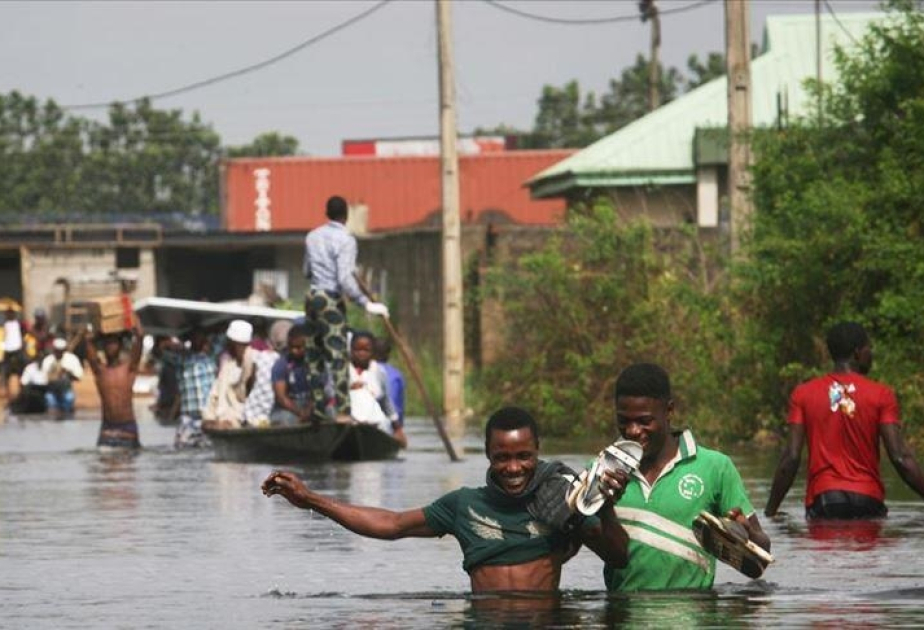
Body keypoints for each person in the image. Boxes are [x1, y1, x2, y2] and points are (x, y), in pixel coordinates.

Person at [262, 406, 629, 593]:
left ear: (537, 451)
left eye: (524, 456)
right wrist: (311, 499)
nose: (513, 467)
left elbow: (618, 556)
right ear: (486, 453)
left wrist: (604, 507)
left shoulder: (564, 500)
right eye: (502, 457)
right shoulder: (463, 506)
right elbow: (391, 524)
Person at [604, 363, 770, 591]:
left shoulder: (715, 468)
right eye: (624, 421)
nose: (633, 431)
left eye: (644, 421)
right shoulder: (603, 472)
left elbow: (760, 560)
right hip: (624, 616)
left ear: (669, 411)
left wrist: (744, 536)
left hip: (694, 616)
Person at [765, 322, 924, 520]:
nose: (871, 354)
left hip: (824, 501)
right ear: (858, 352)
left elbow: (791, 457)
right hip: (868, 500)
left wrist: (770, 511)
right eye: (869, 348)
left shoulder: (803, 394)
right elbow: (900, 458)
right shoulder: (882, 395)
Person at [303, 195, 389, 419]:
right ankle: (342, 411)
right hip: (330, 299)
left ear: (326, 213)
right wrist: (366, 303)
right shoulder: (346, 239)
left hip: (312, 297)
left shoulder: (312, 237)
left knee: (314, 356)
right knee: (338, 356)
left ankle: (319, 410)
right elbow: (344, 278)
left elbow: (306, 271)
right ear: (346, 215)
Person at [85, 322, 144, 449]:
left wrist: (136, 329)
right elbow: (89, 346)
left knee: (130, 466)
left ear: (120, 346)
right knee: (104, 466)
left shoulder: (129, 369)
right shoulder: (100, 371)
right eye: (107, 344)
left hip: (127, 427)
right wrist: (94, 332)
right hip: (108, 428)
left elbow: (139, 340)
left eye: (113, 343)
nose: (110, 347)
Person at [348, 331, 406, 446]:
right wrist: (351, 388)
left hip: (374, 423)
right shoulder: (343, 371)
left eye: (366, 350)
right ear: (351, 350)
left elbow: (386, 402)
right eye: (357, 350)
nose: (361, 354)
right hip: (350, 421)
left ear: (373, 352)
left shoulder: (379, 372)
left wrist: (397, 428)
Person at [202, 319, 256, 430]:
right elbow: (214, 395)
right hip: (222, 421)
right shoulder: (228, 366)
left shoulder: (253, 363)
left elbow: (246, 399)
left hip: (243, 423)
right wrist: (208, 418)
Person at [167, 327, 217, 448]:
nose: (198, 340)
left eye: (200, 336)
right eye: (195, 337)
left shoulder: (212, 360)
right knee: (182, 452)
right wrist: (180, 342)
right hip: (188, 418)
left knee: (209, 453)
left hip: (208, 417)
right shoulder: (182, 360)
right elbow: (161, 350)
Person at [269, 323, 323, 426]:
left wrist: (309, 409)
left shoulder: (315, 363)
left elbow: (319, 390)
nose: (294, 351)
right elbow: (281, 397)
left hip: (311, 404)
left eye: (298, 347)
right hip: (289, 407)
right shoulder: (281, 364)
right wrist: (300, 412)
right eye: (291, 347)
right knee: (284, 420)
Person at [243, 319, 291, 427]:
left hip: (250, 413)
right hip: (267, 418)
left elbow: (250, 382)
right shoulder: (285, 363)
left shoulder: (260, 356)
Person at [41, 336, 84, 419]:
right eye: (57, 350)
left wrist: (67, 373)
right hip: (52, 391)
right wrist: (53, 374)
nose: (59, 353)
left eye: (61, 351)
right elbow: (44, 379)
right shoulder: (48, 360)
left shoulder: (71, 359)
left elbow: (79, 376)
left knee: (69, 399)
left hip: (66, 390)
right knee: (50, 402)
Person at [374, 336, 406, 427]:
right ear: (388, 354)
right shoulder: (396, 375)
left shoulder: (365, 372)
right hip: (391, 424)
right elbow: (397, 406)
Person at [2, 306, 25, 397]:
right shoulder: (4, 324)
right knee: (6, 370)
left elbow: (23, 334)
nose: (10, 314)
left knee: (21, 369)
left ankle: (21, 388)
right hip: (7, 349)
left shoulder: (19, 323)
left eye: (11, 312)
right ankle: (5, 389)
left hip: (17, 349)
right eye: (8, 313)